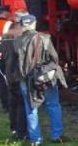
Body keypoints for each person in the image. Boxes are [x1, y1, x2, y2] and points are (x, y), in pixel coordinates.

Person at [15, 14, 67, 145]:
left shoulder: (16, 42)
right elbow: (54, 59)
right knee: (53, 105)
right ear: (34, 24)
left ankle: (36, 139)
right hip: (45, 78)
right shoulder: (44, 38)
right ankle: (57, 135)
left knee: (31, 109)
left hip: (27, 80)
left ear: (22, 26)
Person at [0, 11, 27, 140]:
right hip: (20, 73)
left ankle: (14, 128)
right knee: (22, 103)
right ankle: (21, 132)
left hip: (9, 73)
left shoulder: (6, 35)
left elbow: (1, 57)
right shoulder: (22, 36)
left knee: (13, 102)